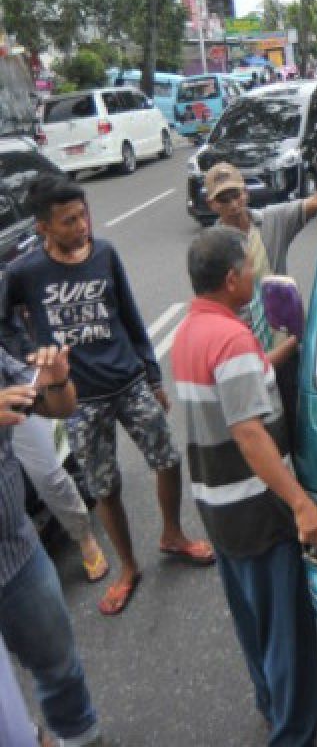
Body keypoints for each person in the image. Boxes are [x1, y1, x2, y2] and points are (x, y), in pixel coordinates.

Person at [5, 176, 212, 616]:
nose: (81, 226)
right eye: (68, 221)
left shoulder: (105, 254)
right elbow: (3, 318)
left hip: (129, 382)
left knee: (169, 460)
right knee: (105, 487)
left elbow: (132, 316)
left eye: (83, 215)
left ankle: (172, 534)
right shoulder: (26, 272)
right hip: (80, 401)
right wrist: (29, 353)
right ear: (43, 227)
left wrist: (153, 377)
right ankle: (128, 567)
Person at [172, 229, 317, 747]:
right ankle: (291, 734)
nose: (255, 276)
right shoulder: (233, 339)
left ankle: (268, 704)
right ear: (231, 278)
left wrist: (284, 350)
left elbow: (238, 387)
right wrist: (302, 504)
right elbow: (247, 432)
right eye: (247, 268)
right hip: (255, 508)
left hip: (217, 505)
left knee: (253, 622)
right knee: (288, 632)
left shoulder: (193, 331)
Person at [0, 342, 104, 746]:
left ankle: (80, 735)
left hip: (16, 551)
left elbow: (57, 407)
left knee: (58, 664)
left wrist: (56, 379)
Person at [205, 161, 317, 438]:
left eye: (235, 195)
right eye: (223, 199)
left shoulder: (272, 221)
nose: (232, 204)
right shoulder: (210, 248)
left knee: (297, 427)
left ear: (245, 193)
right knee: (259, 434)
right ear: (212, 204)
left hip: (286, 349)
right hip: (245, 360)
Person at [3, 296, 106, 581]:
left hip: (13, 396)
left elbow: (18, 350)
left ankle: (84, 538)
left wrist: (52, 378)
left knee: (48, 475)